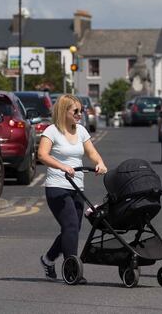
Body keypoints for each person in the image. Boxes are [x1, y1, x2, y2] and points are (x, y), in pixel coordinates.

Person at [37, 94, 107, 282]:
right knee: (70, 226)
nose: (79, 114)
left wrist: (100, 163)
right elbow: (42, 155)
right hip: (57, 186)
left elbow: (91, 152)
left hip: (77, 186)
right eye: (75, 111)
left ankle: (48, 259)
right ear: (64, 111)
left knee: (72, 229)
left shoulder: (81, 131)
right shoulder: (51, 131)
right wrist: (62, 166)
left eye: (81, 111)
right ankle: (71, 269)